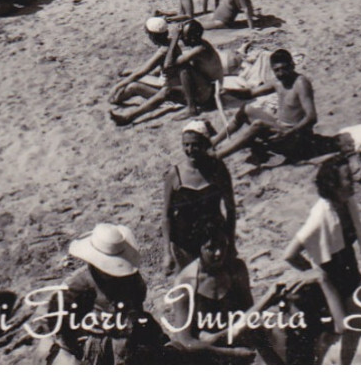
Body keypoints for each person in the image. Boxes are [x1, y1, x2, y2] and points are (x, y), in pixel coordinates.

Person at [284, 157, 361, 365]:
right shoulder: (320, 215)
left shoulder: (346, 203)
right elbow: (290, 253)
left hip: (350, 272)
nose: (353, 180)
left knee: (357, 326)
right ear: (333, 184)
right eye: (348, 178)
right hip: (330, 281)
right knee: (331, 334)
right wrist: (313, 273)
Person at [42, 223, 163, 364]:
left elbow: (137, 304)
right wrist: (68, 349)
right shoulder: (79, 282)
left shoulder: (132, 279)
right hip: (92, 340)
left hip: (124, 336)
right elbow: (55, 315)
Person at [162, 222, 278, 363]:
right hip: (205, 352)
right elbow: (186, 341)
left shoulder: (236, 269)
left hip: (234, 339)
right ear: (198, 249)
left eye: (223, 245)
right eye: (211, 248)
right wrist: (230, 353)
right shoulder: (186, 282)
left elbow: (249, 313)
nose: (219, 253)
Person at [111, 18, 223, 126]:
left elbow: (169, 65)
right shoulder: (200, 44)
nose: (182, 40)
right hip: (204, 87)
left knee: (181, 71)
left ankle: (191, 108)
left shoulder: (199, 49)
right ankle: (123, 109)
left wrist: (174, 39)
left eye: (183, 37)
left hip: (208, 93)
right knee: (157, 88)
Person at [212, 48, 318, 161]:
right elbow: (251, 93)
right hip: (280, 128)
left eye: (284, 68)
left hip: (297, 137)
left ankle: (217, 156)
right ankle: (213, 142)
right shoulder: (278, 82)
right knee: (246, 109)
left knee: (259, 125)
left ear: (292, 65)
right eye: (277, 70)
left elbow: (311, 117)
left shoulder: (300, 83)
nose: (281, 73)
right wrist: (228, 91)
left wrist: (289, 132)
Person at [164, 121, 238, 274]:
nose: (190, 150)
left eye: (195, 145)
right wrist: (167, 252)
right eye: (186, 145)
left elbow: (231, 210)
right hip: (184, 241)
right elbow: (166, 216)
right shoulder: (174, 174)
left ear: (205, 145)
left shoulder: (218, 170)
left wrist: (231, 243)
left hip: (214, 241)